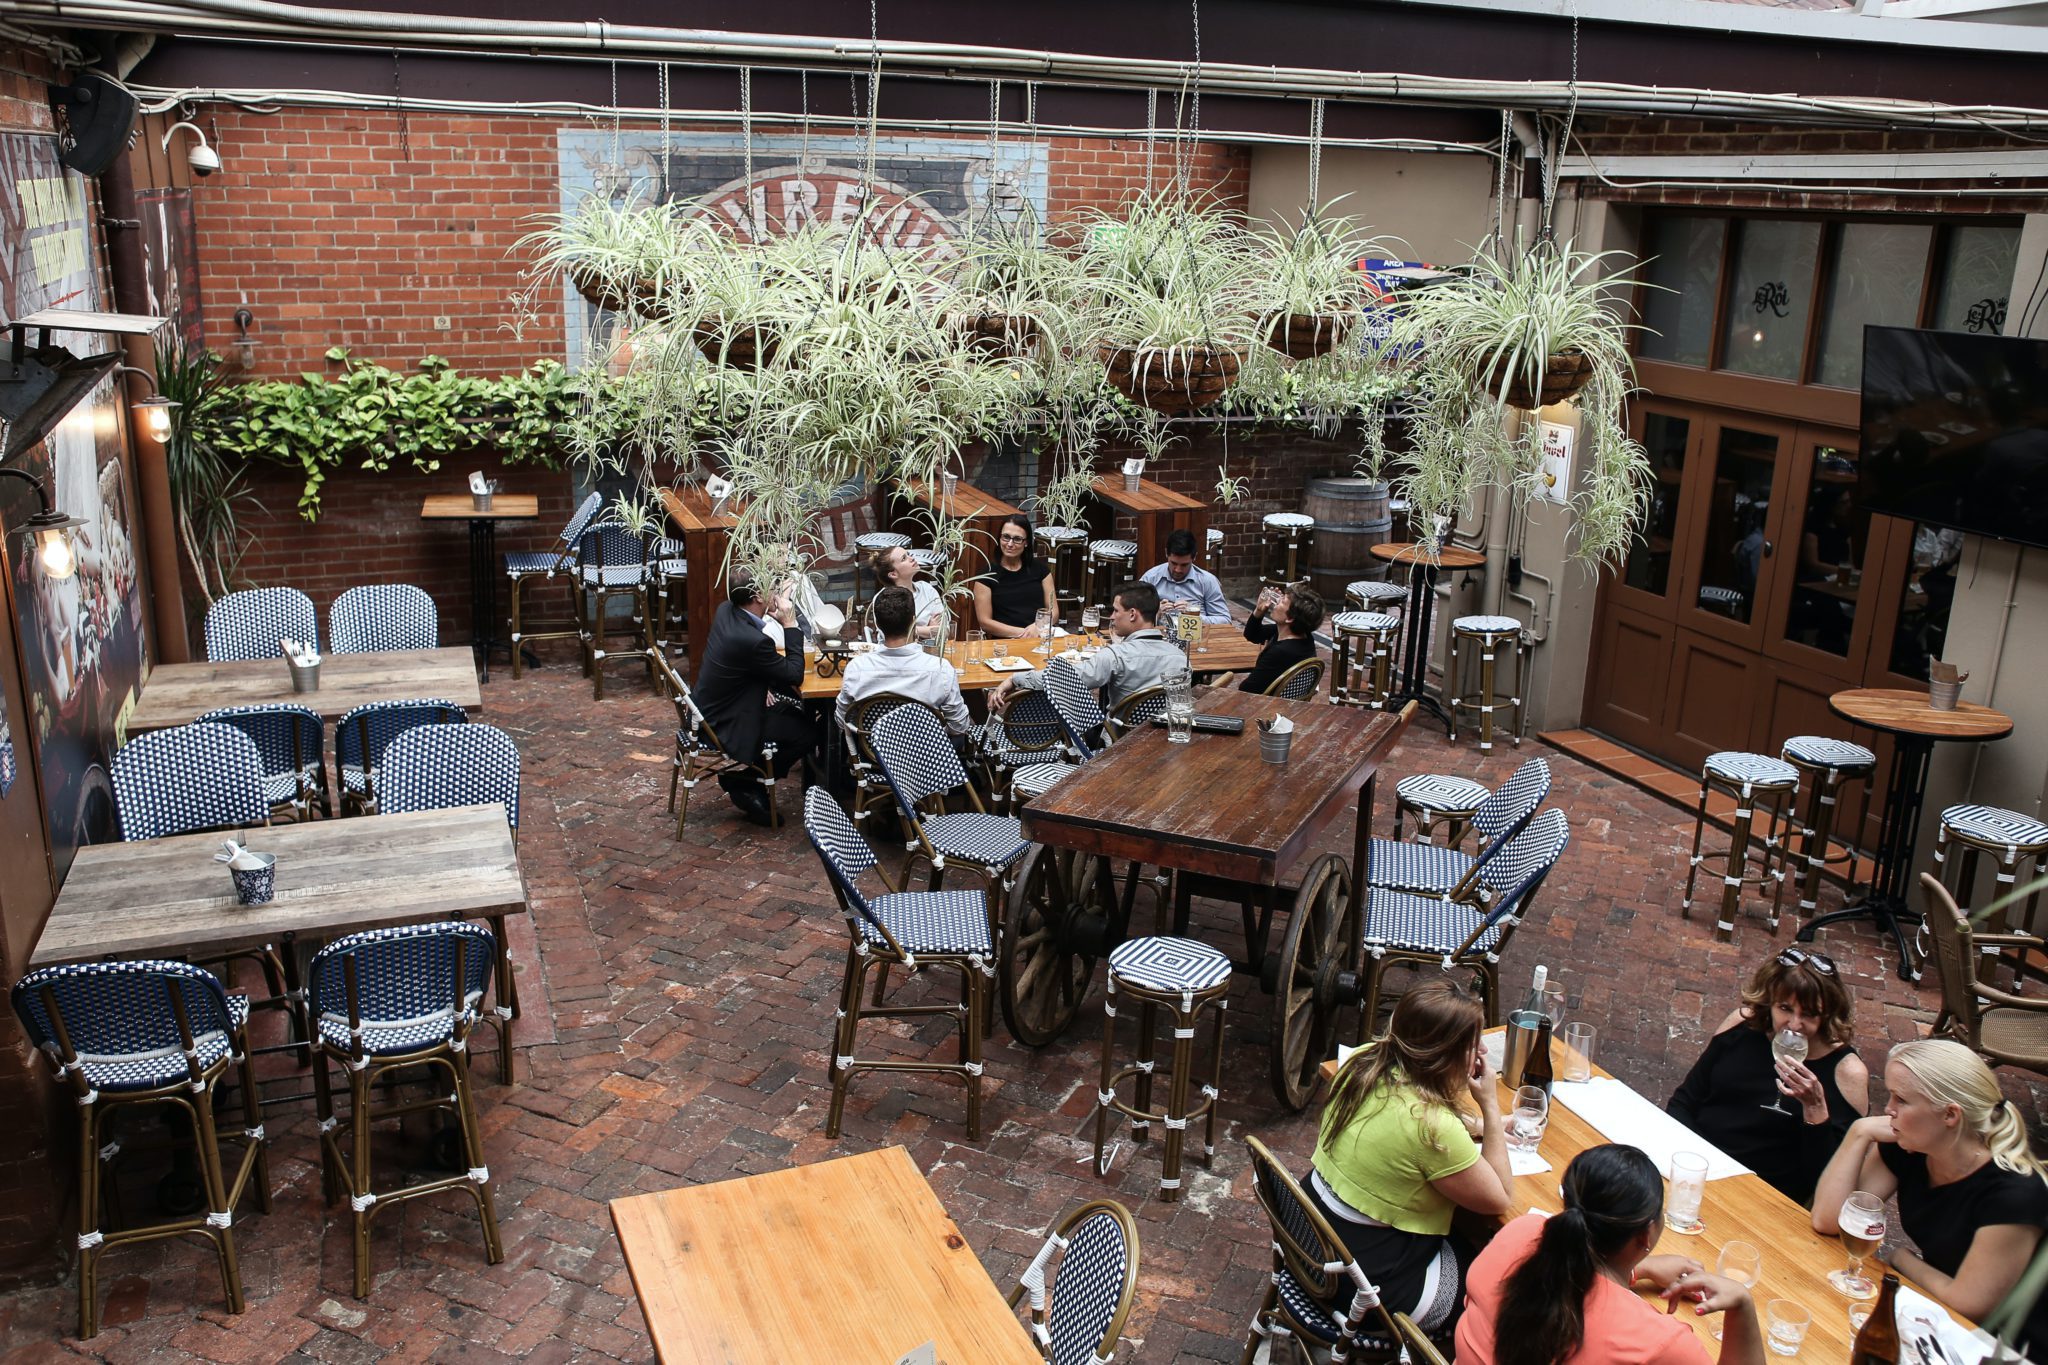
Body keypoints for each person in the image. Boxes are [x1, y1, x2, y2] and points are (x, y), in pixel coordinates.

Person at [1812, 1039, 2048, 1353]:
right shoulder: (1912, 1147)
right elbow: (1829, 1220)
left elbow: (1967, 1303)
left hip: (2009, 1345)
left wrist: (1900, 1259)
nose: (1888, 1109)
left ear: (1950, 1115)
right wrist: (1859, 1132)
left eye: (1901, 1099)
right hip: (1935, 1319)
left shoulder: (2014, 1194)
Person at [1308, 978, 1513, 1337]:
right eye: (1473, 1043)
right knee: (1506, 1286)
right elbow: (1499, 1197)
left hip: (1314, 1244)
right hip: (1367, 1287)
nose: (1482, 1050)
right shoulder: (1432, 1127)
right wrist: (1491, 1108)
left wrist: (1474, 1125)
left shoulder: (1363, 1062)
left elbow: (1403, 1108)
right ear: (1444, 1053)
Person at [1458, 1143, 1765, 1365]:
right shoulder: (1657, 1342)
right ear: (1646, 1234)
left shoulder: (1521, 1230)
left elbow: (1568, 1275)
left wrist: (1639, 1269)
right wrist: (1742, 1305)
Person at [1667, 948, 1868, 1204]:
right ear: (1769, 1001)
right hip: (1697, 1171)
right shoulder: (1741, 1026)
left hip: (1761, 1199)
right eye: (1785, 1008)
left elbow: (1827, 1184)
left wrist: (1815, 1109)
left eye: (1808, 1014)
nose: (1794, 1024)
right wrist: (1689, 1165)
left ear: (1827, 1014)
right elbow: (1684, 1102)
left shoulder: (1847, 1073)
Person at [692, 569, 821, 826]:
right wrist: (790, 624)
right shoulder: (752, 640)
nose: (774, 592)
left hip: (711, 707)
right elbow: (794, 675)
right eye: (769, 588)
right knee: (811, 732)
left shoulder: (726, 610)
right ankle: (750, 781)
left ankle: (753, 781)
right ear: (756, 596)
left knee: (794, 713)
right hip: (727, 721)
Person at [989, 581, 1184, 715]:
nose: (1112, 617)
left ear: (1132, 614)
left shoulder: (1115, 656)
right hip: (1163, 740)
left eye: (1116, 610)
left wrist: (1015, 678)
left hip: (1119, 742)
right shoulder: (1180, 657)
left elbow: (1064, 679)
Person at [835, 586, 970, 737]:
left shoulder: (856, 668)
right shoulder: (940, 668)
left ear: (877, 625)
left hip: (872, 754)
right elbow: (959, 727)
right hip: (926, 756)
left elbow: (842, 721)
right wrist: (934, 733)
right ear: (914, 622)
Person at [972, 513, 1057, 639]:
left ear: (1026, 542)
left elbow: (1054, 611)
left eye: (1017, 539)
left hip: (1040, 635)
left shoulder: (1041, 571)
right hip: (1005, 643)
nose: (1010, 544)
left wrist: (1037, 626)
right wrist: (1024, 633)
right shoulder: (985, 577)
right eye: (1006, 537)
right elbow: (985, 622)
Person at [1239, 582, 1324, 694]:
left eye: (1282, 601)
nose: (1275, 601)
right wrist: (1259, 611)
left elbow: (1246, 690)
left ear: (1290, 618)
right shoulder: (1304, 636)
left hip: (1267, 706)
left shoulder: (1280, 652)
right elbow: (1252, 635)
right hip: (1288, 706)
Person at [1139, 527, 1232, 623]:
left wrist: (1194, 616)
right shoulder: (1150, 578)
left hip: (1197, 636)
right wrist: (1156, 614)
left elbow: (1225, 620)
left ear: (1194, 557)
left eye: (1184, 565)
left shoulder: (1207, 581)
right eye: (1174, 563)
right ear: (1166, 553)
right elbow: (1133, 619)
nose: (1178, 570)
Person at [872, 543, 946, 642]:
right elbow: (893, 638)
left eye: (908, 554)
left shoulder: (927, 589)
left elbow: (944, 631)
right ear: (893, 574)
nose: (911, 558)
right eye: (904, 559)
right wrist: (928, 630)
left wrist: (911, 631)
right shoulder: (883, 599)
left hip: (929, 653)